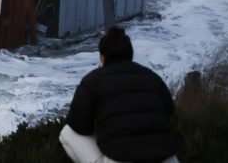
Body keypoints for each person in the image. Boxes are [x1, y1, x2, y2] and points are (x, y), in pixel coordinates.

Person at [60, 26, 178, 163]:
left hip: (121, 158)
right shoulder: (152, 77)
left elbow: (79, 125)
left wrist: (107, 129)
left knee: (68, 133)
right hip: (166, 158)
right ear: (130, 55)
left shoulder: (92, 81)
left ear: (102, 57)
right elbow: (169, 111)